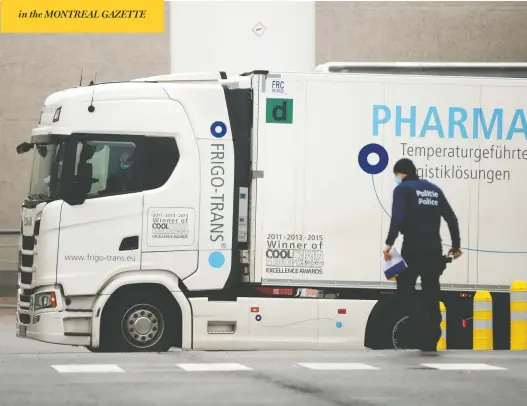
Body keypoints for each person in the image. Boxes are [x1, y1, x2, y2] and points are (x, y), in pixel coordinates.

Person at [382, 158, 462, 352]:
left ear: (402, 174)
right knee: (431, 292)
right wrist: (456, 245)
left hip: (413, 247)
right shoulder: (433, 189)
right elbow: (451, 217)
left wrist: (389, 243)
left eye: (396, 176)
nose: (396, 179)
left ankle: (421, 321)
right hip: (435, 248)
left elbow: (398, 217)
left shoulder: (402, 190)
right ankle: (431, 338)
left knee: (405, 290)